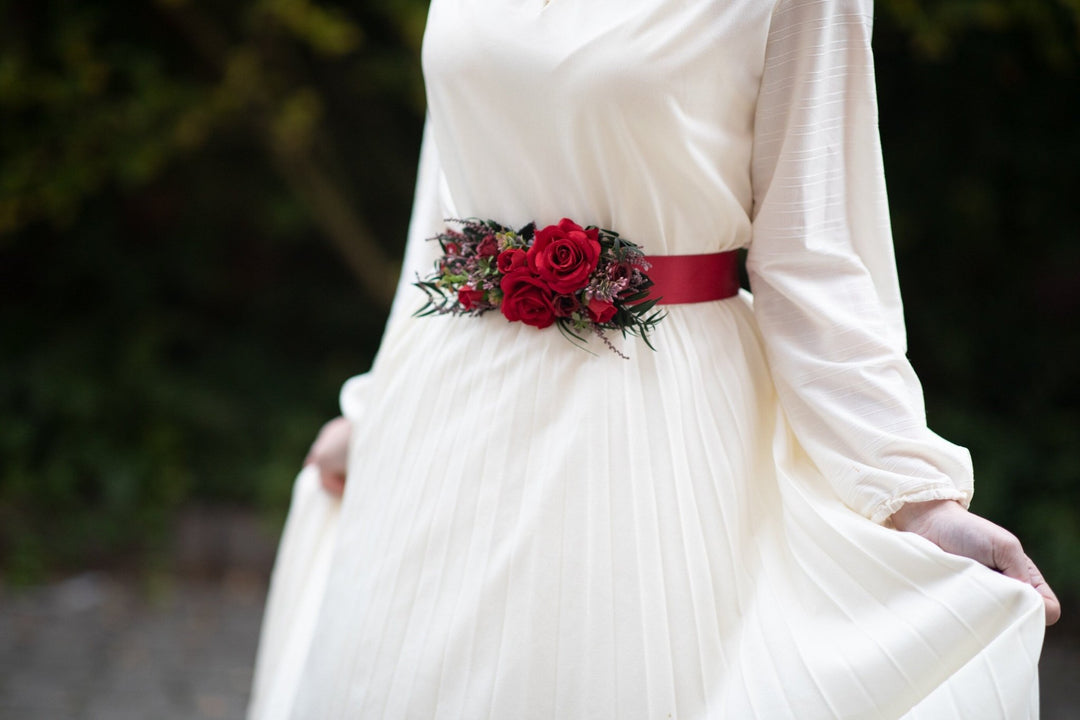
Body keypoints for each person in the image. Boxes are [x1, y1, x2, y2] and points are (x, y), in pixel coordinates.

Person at [248, 0, 1059, 718]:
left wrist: (913, 496)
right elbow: (447, 207)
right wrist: (378, 406)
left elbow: (816, 254)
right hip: (447, 415)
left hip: (653, 425)